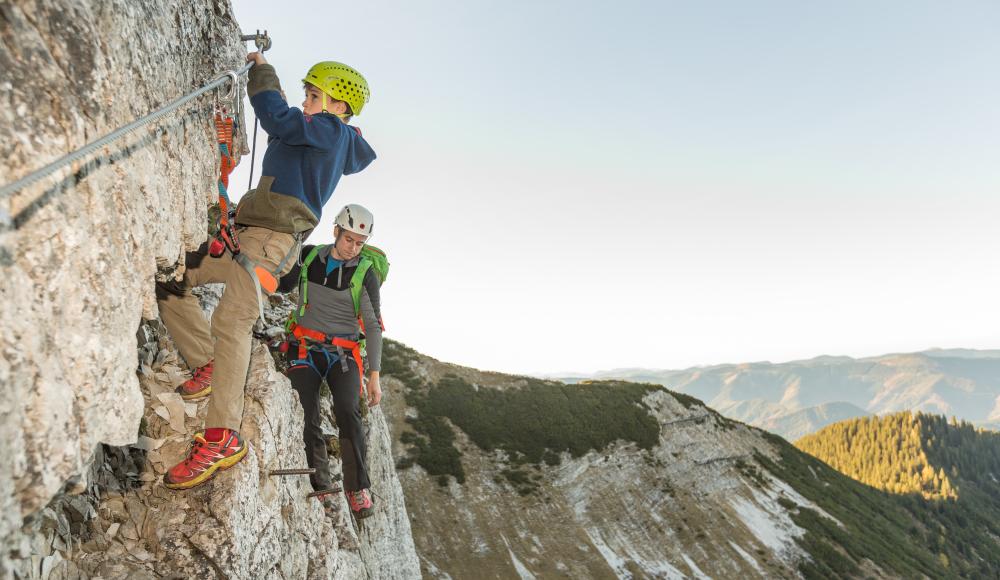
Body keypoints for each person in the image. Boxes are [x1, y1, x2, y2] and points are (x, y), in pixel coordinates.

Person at [156, 52, 376, 490]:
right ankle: (207, 363)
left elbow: (278, 118)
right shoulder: (321, 137)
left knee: (233, 321)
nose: (307, 102)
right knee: (173, 279)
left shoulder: (330, 131)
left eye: (314, 95)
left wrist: (261, 70)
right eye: (308, 95)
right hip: (251, 232)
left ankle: (223, 437)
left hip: (271, 241)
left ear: (339, 106)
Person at [277, 204, 384, 519]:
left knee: (348, 411)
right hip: (304, 348)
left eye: (360, 243)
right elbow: (282, 284)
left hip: (343, 354)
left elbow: (374, 325)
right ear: (336, 231)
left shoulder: (366, 273)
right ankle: (319, 483)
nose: (353, 248)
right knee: (306, 411)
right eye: (349, 239)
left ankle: (356, 487)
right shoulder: (309, 256)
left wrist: (374, 375)